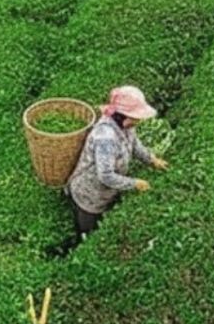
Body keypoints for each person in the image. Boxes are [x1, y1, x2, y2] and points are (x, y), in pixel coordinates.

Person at [64, 86, 168, 238]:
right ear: (122, 115)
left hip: (107, 192)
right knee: (90, 231)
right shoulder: (106, 138)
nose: (138, 120)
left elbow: (135, 145)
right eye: (135, 116)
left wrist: (152, 160)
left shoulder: (125, 126)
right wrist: (134, 183)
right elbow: (105, 175)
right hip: (90, 195)